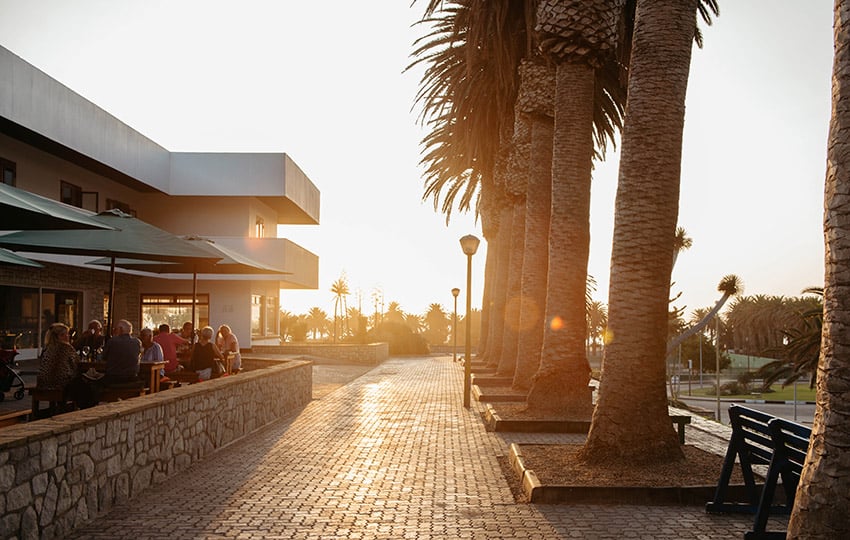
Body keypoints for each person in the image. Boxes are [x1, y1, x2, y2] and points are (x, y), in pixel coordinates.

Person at [101, 319, 142, 387]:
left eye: (115, 329)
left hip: (113, 379)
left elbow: (104, 357)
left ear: (121, 329)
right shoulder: (137, 342)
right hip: (132, 378)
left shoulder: (112, 341)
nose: (114, 330)